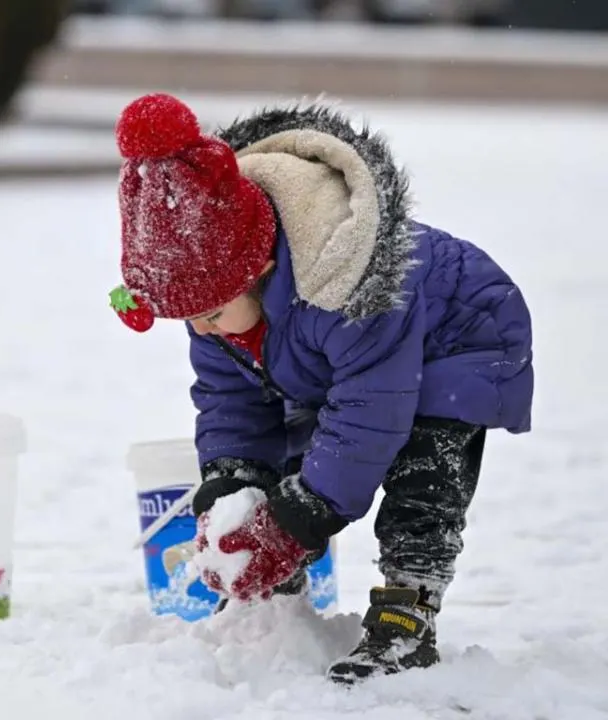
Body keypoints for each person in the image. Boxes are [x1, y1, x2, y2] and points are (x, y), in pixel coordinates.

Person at [107, 93, 533, 684]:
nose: (200, 329)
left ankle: (407, 612)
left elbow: (367, 415)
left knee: (422, 477)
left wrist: (300, 518)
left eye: (209, 314)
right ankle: (275, 598)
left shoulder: (347, 285)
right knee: (288, 454)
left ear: (257, 272)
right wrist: (232, 489)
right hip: (343, 361)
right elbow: (232, 404)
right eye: (190, 319)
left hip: (460, 339)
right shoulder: (215, 302)